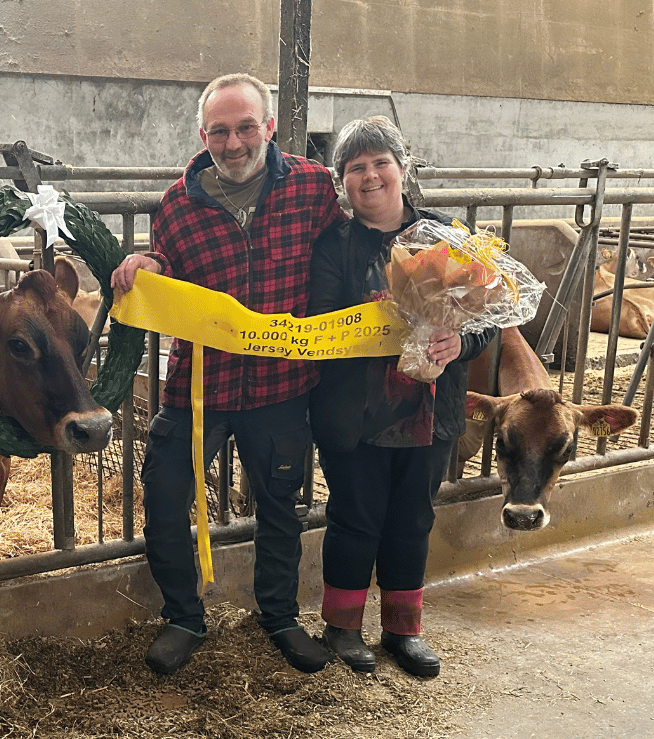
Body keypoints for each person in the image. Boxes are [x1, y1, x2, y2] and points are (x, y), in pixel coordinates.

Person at [111, 73, 347, 675]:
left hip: (280, 384)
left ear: (269, 127)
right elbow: (169, 263)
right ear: (203, 134)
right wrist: (147, 263)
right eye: (220, 130)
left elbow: (357, 240)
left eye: (246, 127)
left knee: (279, 504)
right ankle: (185, 617)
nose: (234, 141)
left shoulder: (315, 188)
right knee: (164, 497)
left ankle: (279, 615)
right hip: (199, 384)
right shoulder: (177, 203)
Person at [308, 116, 494, 677]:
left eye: (380, 163)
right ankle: (341, 626)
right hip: (355, 412)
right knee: (355, 516)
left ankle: (402, 630)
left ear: (403, 169)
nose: (369, 176)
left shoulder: (447, 235)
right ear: (342, 182)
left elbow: (490, 316)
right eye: (355, 168)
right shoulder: (334, 246)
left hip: (430, 410)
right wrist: (382, 322)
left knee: (413, 517)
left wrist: (457, 340)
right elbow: (322, 322)